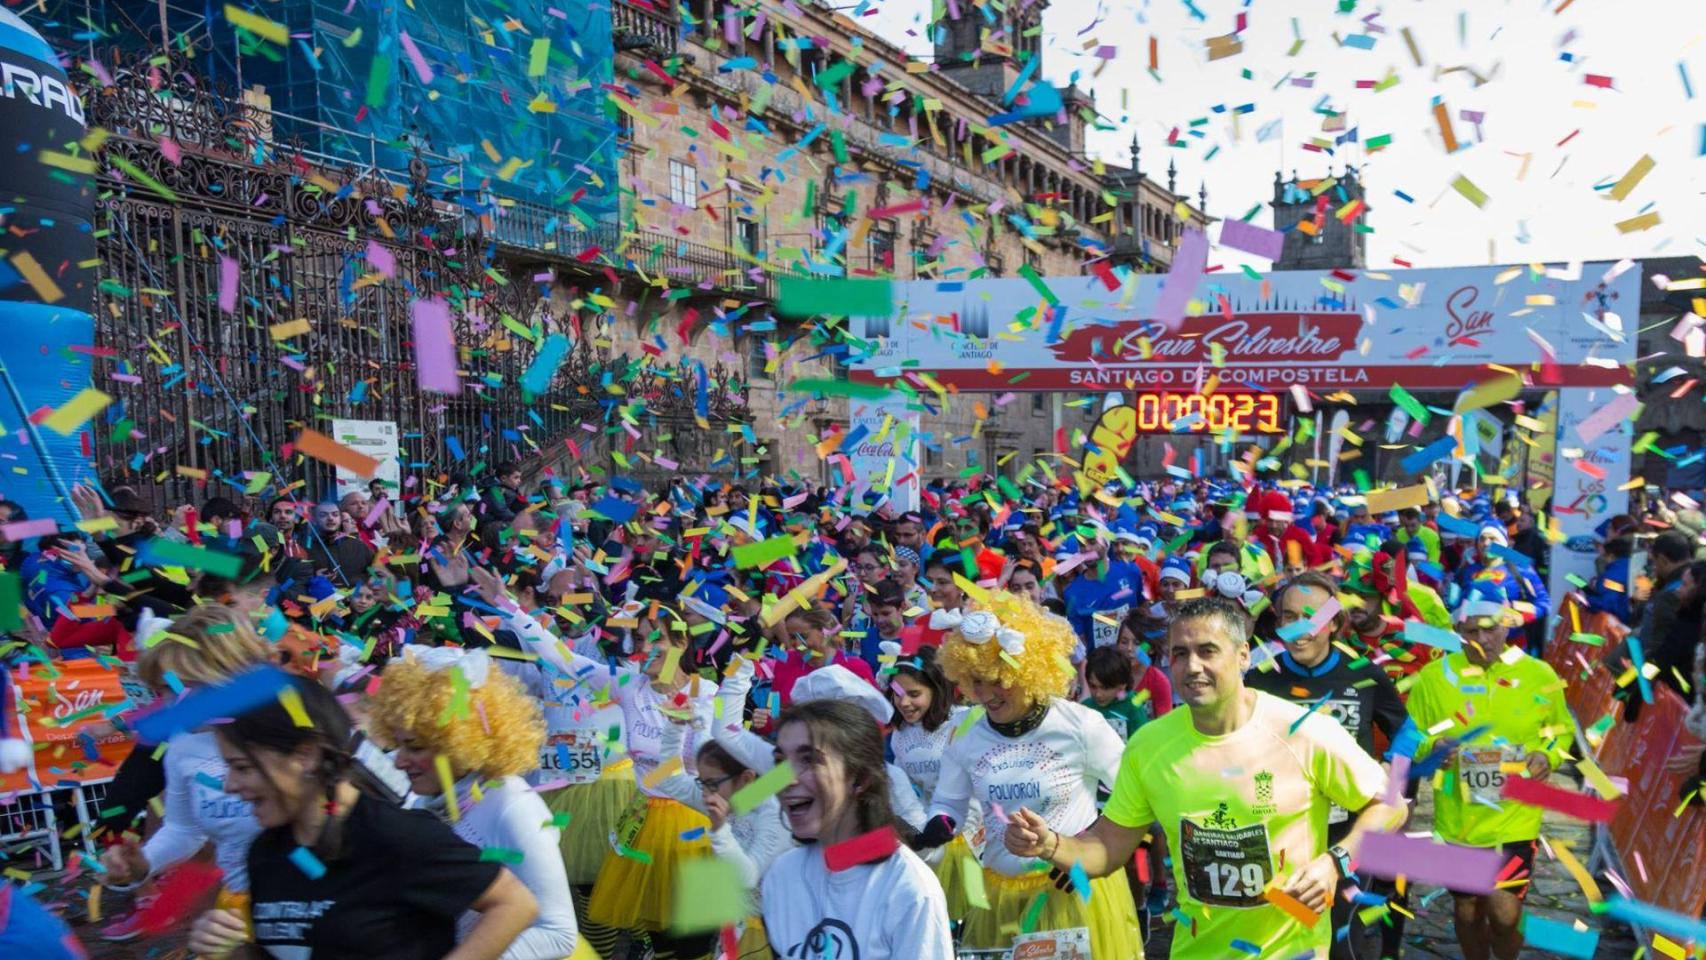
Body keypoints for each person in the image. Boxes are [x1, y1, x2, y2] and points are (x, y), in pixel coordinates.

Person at [1005, 596, 1403, 959]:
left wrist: (1335, 863)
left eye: (1207, 651)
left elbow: (1391, 807)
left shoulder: (1303, 730)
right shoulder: (1150, 745)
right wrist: (1050, 843)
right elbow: (1107, 850)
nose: (1192, 666)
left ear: (1244, 655)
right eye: (1180, 654)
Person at [188, 674, 539, 960]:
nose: (231, 785)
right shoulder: (267, 851)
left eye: (242, 767)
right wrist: (232, 950)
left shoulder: (395, 837)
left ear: (306, 756)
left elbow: (514, 902)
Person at [916, 594, 1143, 959]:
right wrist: (940, 824)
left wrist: (1083, 850)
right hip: (1001, 894)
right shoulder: (965, 730)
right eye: (975, 681)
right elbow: (949, 802)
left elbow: (1133, 796)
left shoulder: (1079, 725)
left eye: (999, 680)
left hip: (1074, 887)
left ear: (1027, 671)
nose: (985, 694)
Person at [367, 647, 586, 960]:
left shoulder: (513, 806)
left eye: (414, 747)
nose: (399, 761)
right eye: (399, 744)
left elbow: (557, 933)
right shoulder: (424, 799)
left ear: (457, 743)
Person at [1245, 572, 1414, 960]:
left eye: (1312, 617)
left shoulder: (1364, 674)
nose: (1299, 629)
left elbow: (1407, 731)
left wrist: (1392, 767)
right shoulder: (1260, 677)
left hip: (1349, 833)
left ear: (1335, 624)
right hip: (1279, 835)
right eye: (1288, 617)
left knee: (1341, 938)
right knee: (1284, 935)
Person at [1405, 591, 1574, 960]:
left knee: (1504, 911)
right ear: (1457, 631)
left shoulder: (1537, 673)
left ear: (1506, 627)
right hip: (1458, 819)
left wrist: (1547, 755)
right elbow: (1411, 737)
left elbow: (1562, 731)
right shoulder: (1434, 677)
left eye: (1490, 630)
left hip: (1515, 818)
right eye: (1471, 632)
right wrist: (1433, 748)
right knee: (1467, 910)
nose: (1482, 640)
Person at [100, 606, 270, 932]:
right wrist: (143, 865)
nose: (168, 706)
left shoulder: (296, 726)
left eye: (179, 690)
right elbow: (185, 829)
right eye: (162, 692)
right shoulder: (182, 743)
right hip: (240, 916)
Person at [759, 698, 954, 960]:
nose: (787, 780)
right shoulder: (781, 876)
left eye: (809, 760)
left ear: (859, 779)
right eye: (780, 762)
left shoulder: (908, 888)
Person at [1082, 644, 1150, 741]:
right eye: (1093, 686)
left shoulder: (1132, 706)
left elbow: (1142, 743)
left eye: (1105, 688)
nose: (1098, 694)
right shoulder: (1085, 708)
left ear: (1122, 685)